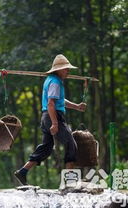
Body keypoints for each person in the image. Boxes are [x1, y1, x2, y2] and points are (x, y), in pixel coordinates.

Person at [14, 54, 87, 185]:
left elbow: (59, 100)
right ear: (57, 70)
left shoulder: (51, 80)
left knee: (47, 147)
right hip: (52, 116)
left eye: (68, 68)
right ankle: (70, 181)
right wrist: (55, 123)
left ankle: (23, 171)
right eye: (65, 69)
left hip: (46, 116)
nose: (68, 71)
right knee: (71, 144)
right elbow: (51, 104)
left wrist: (76, 106)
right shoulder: (55, 82)